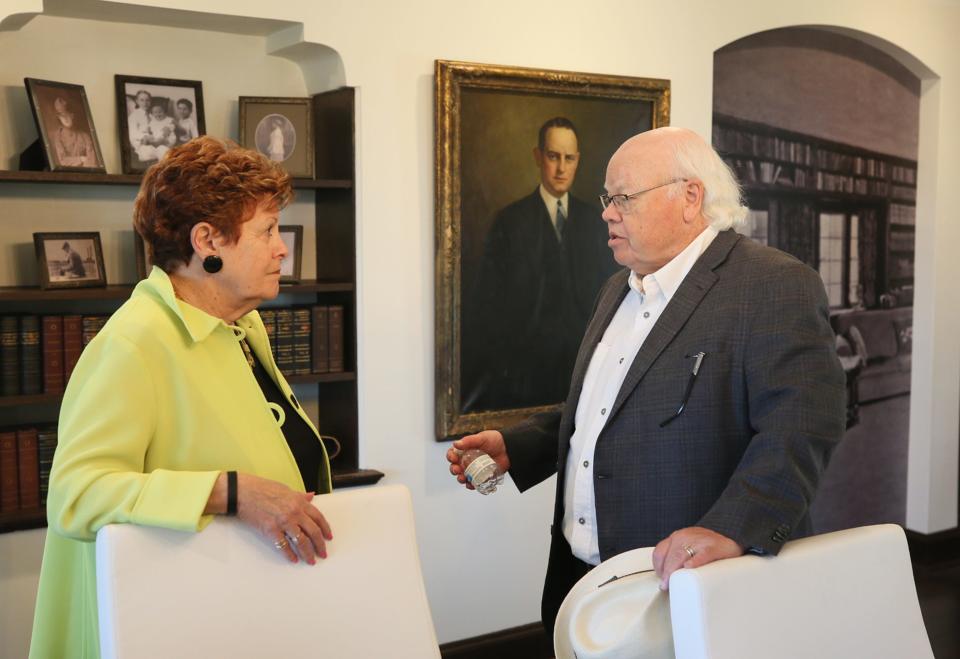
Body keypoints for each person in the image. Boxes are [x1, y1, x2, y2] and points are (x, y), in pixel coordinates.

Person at [448, 127, 846, 636]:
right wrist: (517, 446)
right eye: (606, 198)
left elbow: (804, 425)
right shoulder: (618, 287)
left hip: (682, 584)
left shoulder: (772, 284)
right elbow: (604, 406)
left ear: (690, 197)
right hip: (582, 576)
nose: (607, 213)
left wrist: (731, 527)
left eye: (623, 198)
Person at [30, 136, 334, 658]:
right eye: (266, 230)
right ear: (207, 241)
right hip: (163, 627)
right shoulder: (133, 343)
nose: (282, 247)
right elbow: (75, 496)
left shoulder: (242, 324)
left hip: (240, 616)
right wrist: (231, 492)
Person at [462, 117, 618, 411]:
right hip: (524, 375)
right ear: (538, 157)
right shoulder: (510, 222)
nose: (561, 168)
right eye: (553, 156)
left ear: (578, 161)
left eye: (569, 158)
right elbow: (488, 306)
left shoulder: (596, 221)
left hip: (581, 369)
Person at [49, 97, 97, 168]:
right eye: (62, 116)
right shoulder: (58, 137)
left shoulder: (84, 135)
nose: (66, 118)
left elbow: (91, 160)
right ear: (59, 118)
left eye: (67, 114)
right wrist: (81, 159)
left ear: (72, 116)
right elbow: (63, 161)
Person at [126, 89, 152, 161]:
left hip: (153, 139)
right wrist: (144, 137)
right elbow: (132, 133)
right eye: (142, 100)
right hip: (140, 141)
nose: (145, 103)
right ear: (137, 101)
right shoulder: (134, 116)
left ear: (150, 102)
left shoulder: (152, 115)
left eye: (147, 100)